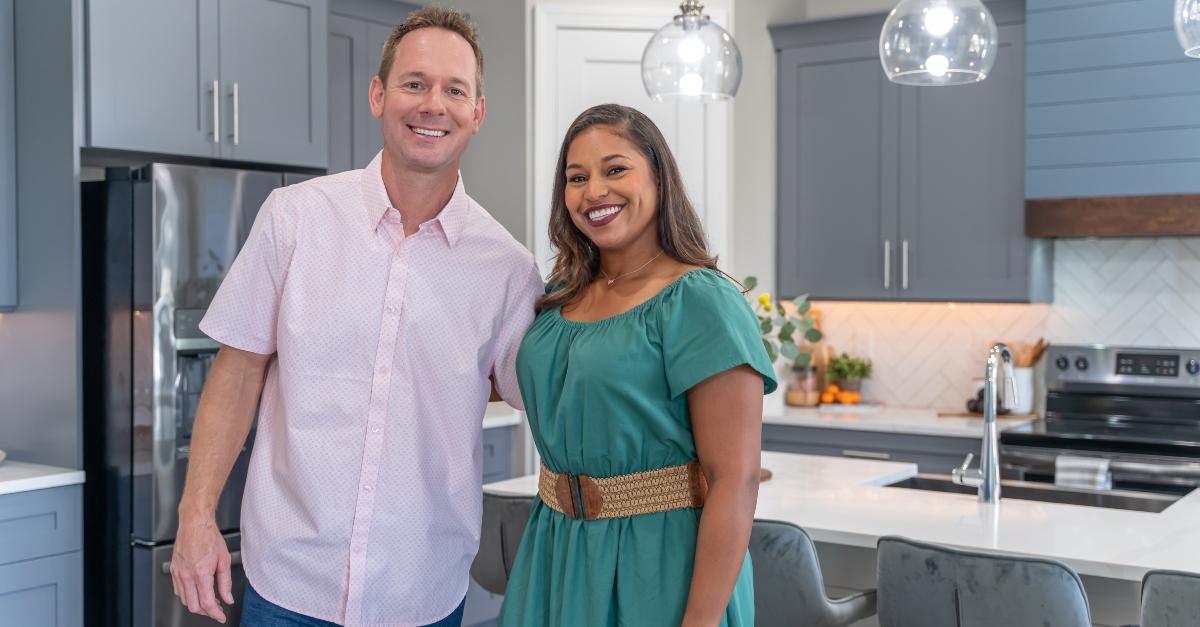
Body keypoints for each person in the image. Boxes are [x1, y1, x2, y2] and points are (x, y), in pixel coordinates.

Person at [168, 7, 541, 627]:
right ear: (379, 95)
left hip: (422, 589)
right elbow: (236, 376)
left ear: (478, 111)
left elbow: (541, 395)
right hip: (288, 583)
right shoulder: (295, 219)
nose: (433, 105)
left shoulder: (507, 269)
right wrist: (196, 514)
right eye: (414, 83)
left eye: (455, 90)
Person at [498, 103, 776, 627]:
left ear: (659, 176)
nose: (594, 190)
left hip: (658, 564)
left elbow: (735, 479)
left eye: (615, 169)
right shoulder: (560, 295)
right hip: (556, 549)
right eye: (576, 177)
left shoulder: (700, 300)